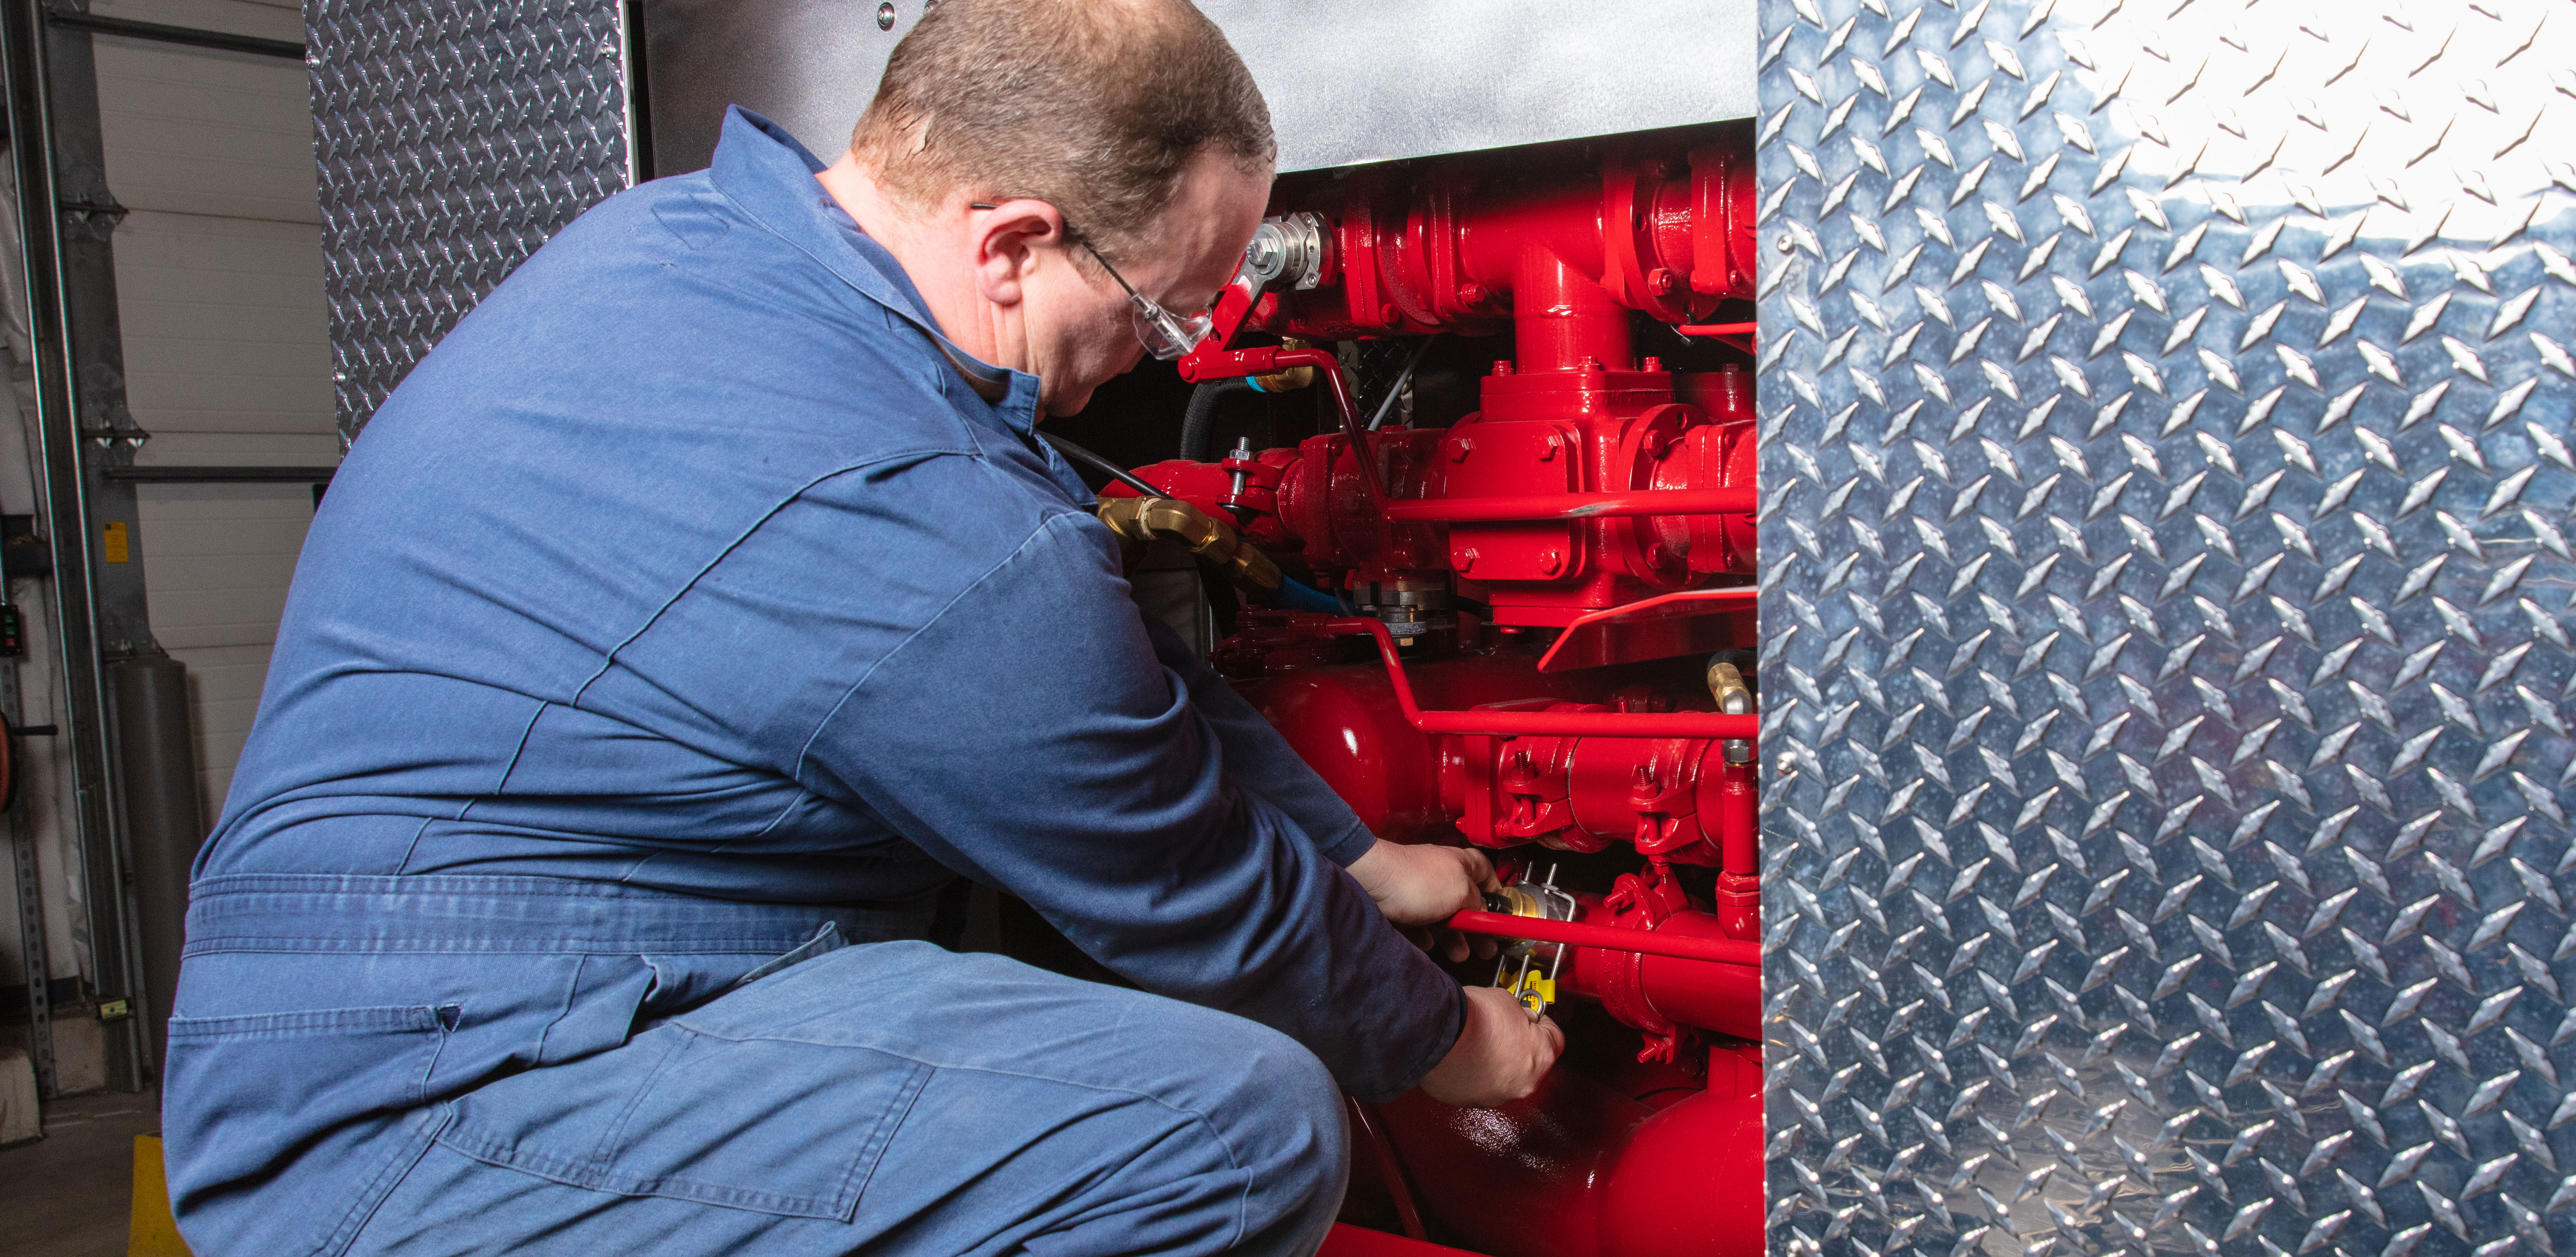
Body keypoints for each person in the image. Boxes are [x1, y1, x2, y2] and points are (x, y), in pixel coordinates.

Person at [159, 2, 1559, 1253]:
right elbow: (1188, 883)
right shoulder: (913, 506)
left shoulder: (688, 247)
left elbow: (1125, 684)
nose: (1165, 354)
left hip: (421, 1006)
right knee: (1237, 1130)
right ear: (1011, 241)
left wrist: (1365, 860)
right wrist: (1450, 1043)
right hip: (429, 1113)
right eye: (1163, 313)